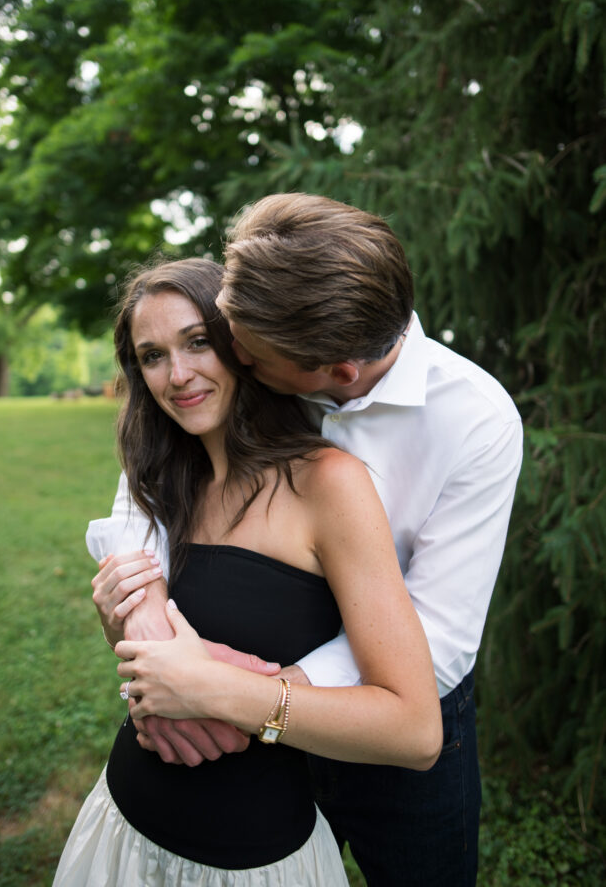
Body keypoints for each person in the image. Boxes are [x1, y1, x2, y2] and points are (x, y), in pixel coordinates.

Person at [131, 193, 523, 886]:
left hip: (395, 717)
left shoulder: (475, 423)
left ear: (334, 375)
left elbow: (437, 638)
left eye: (246, 355)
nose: (233, 359)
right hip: (254, 684)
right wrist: (140, 610)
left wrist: (240, 695)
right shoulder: (274, 324)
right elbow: (159, 465)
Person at [53, 257, 442, 887]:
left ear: (240, 343)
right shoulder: (165, 480)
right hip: (122, 825)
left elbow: (416, 730)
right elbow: (156, 658)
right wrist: (124, 638)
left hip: (256, 859)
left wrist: (217, 694)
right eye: (152, 356)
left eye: (197, 343)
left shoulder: (328, 484)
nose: (177, 376)